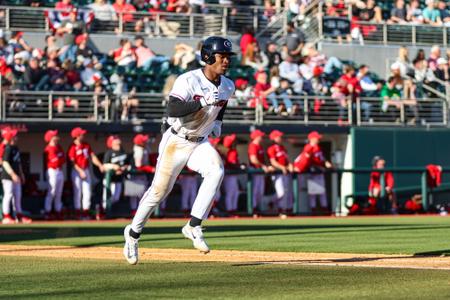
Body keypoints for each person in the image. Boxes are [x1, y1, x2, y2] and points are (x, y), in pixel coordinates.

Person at [123, 36, 236, 264]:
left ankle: (193, 225)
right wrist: (202, 103)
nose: (225, 61)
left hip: (200, 141)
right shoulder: (188, 79)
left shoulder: (228, 85)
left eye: (227, 57)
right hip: (177, 140)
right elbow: (173, 108)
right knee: (158, 192)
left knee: (216, 171)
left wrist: (217, 123)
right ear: (207, 57)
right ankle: (133, 234)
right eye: (221, 56)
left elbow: (221, 106)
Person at [68, 127, 104, 220]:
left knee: (87, 191)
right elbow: (72, 162)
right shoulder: (72, 147)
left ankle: (85, 211)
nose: (83, 135)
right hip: (77, 171)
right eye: (81, 134)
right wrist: (80, 171)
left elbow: (92, 157)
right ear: (77, 136)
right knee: (78, 192)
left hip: (86, 169)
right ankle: (77, 212)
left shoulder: (86, 145)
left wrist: (100, 165)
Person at [293, 131, 332, 214]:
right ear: (312, 139)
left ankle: (325, 211)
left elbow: (321, 158)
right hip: (311, 172)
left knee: (322, 193)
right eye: (317, 138)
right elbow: (306, 160)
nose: (318, 139)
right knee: (313, 193)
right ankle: (313, 212)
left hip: (319, 172)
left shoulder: (317, 147)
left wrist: (325, 163)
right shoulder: (308, 147)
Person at [1, 129, 31, 224]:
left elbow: (18, 163)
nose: (16, 137)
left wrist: (21, 174)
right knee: (8, 195)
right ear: (11, 138)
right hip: (7, 176)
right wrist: (13, 174)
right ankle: (6, 216)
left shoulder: (16, 148)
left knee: (18, 196)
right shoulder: (8, 148)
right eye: (14, 136)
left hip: (16, 176)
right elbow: (5, 162)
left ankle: (19, 215)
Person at [101, 135, 129, 219]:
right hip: (110, 180)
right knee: (108, 197)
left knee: (116, 198)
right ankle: (104, 213)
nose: (118, 140)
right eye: (115, 140)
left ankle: (108, 212)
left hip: (119, 179)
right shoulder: (109, 153)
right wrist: (113, 166)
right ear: (112, 143)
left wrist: (124, 167)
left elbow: (127, 163)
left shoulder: (123, 152)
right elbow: (104, 165)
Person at [267, 130, 294, 216]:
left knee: (287, 193)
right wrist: (282, 167)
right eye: (278, 136)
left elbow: (287, 159)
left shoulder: (283, 148)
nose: (280, 138)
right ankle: (271, 202)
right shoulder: (271, 148)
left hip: (285, 173)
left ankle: (283, 210)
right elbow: (273, 162)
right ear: (274, 138)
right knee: (281, 193)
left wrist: (290, 165)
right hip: (277, 173)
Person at [129, 134, 155, 216]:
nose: (145, 141)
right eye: (143, 140)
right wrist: (150, 169)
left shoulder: (145, 148)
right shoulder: (138, 150)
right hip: (135, 174)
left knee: (143, 194)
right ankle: (134, 211)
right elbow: (138, 166)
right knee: (134, 194)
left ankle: (140, 212)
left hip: (142, 174)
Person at [43, 130, 65, 220]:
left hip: (59, 170)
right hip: (52, 171)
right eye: (55, 136)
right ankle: (47, 211)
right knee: (51, 191)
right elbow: (55, 161)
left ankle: (57, 211)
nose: (57, 137)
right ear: (51, 138)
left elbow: (63, 159)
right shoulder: (48, 149)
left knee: (59, 193)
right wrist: (59, 158)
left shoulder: (59, 147)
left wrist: (59, 158)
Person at [248, 129, 271, 213]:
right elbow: (253, 160)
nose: (262, 137)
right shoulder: (253, 145)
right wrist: (263, 166)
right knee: (255, 191)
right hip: (255, 170)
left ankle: (258, 209)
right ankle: (253, 210)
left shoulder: (260, 146)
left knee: (260, 192)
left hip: (260, 171)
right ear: (256, 137)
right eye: (260, 136)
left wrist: (265, 166)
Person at [222, 134, 240, 215]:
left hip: (232, 175)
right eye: (234, 141)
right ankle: (230, 210)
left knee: (235, 193)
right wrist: (240, 167)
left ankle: (233, 209)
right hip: (230, 175)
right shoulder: (232, 152)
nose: (236, 142)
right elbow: (232, 164)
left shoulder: (232, 151)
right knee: (230, 193)